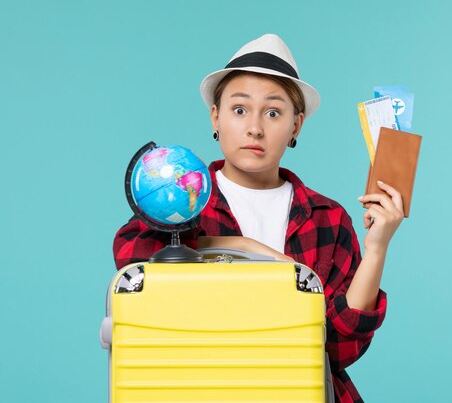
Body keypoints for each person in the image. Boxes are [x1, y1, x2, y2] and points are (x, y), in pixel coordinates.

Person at [113, 34, 404, 403]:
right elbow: (137, 266)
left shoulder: (326, 219)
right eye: (239, 109)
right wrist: (246, 248)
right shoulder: (180, 202)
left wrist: (377, 247)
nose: (255, 128)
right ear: (215, 116)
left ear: (296, 126)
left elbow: (339, 350)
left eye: (273, 112)